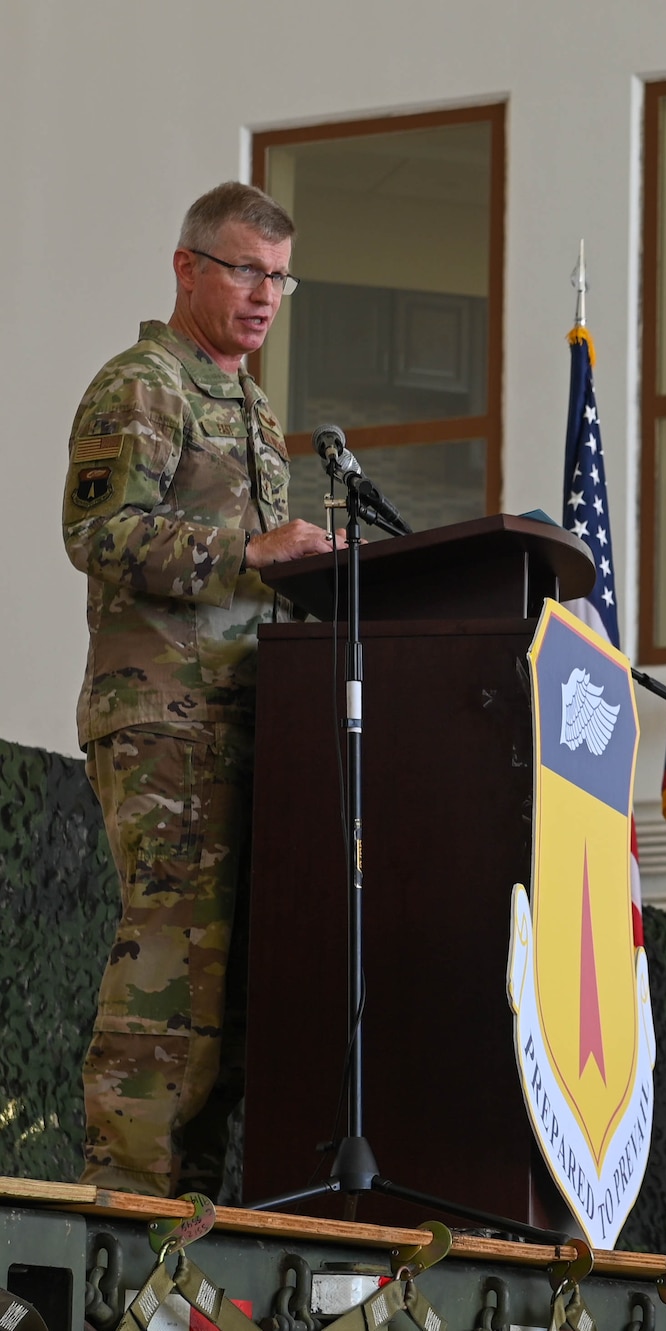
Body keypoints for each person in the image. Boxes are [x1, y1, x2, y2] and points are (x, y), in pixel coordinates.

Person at [64, 182, 342, 1197]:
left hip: (252, 721)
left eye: (279, 276)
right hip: (163, 723)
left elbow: (261, 570)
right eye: (244, 270)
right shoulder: (143, 385)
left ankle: (196, 1214)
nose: (265, 294)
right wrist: (252, 549)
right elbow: (95, 533)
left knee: (228, 989)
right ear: (187, 268)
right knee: (172, 970)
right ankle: (127, 1215)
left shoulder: (255, 409)